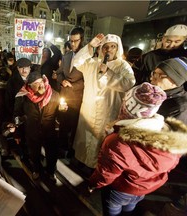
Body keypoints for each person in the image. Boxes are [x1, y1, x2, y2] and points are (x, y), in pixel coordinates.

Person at [88, 82, 187, 216]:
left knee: (113, 211)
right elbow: (171, 164)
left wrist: (94, 184)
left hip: (120, 189)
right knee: (130, 209)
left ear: (126, 107)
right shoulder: (169, 133)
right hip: (145, 189)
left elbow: (107, 173)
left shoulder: (117, 141)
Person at [72, 33, 135, 169]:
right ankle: (81, 161)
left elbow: (128, 83)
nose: (109, 49)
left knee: (101, 140)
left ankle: (95, 167)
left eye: (113, 46)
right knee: (86, 135)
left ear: (117, 49)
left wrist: (108, 73)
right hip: (89, 109)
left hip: (109, 110)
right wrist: (89, 46)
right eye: (106, 46)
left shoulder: (123, 66)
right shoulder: (93, 63)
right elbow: (76, 62)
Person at [13, 72, 66, 181]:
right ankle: (36, 170)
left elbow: (59, 117)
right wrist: (17, 132)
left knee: (51, 154)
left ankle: (51, 171)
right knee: (34, 153)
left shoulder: (54, 94)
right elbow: (17, 114)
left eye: (41, 82)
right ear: (30, 86)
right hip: (32, 131)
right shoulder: (23, 96)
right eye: (36, 84)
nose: (41, 85)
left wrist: (62, 111)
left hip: (49, 131)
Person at [55, 26, 85, 156]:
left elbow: (88, 80)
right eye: (71, 41)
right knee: (63, 123)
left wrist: (73, 85)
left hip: (77, 98)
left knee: (74, 126)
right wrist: (62, 81)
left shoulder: (88, 58)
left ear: (82, 40)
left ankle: (72, 150)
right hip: (64, 96)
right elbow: (59, 73)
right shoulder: (66, 56)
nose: (73, 44)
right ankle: (61, 148)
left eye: (76, 41)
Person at [150, 57, 187, 123]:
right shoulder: (155, 91)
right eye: (154, 73)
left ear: (175, 81)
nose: (152, 78)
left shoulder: (179, 109)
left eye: (159, 75)